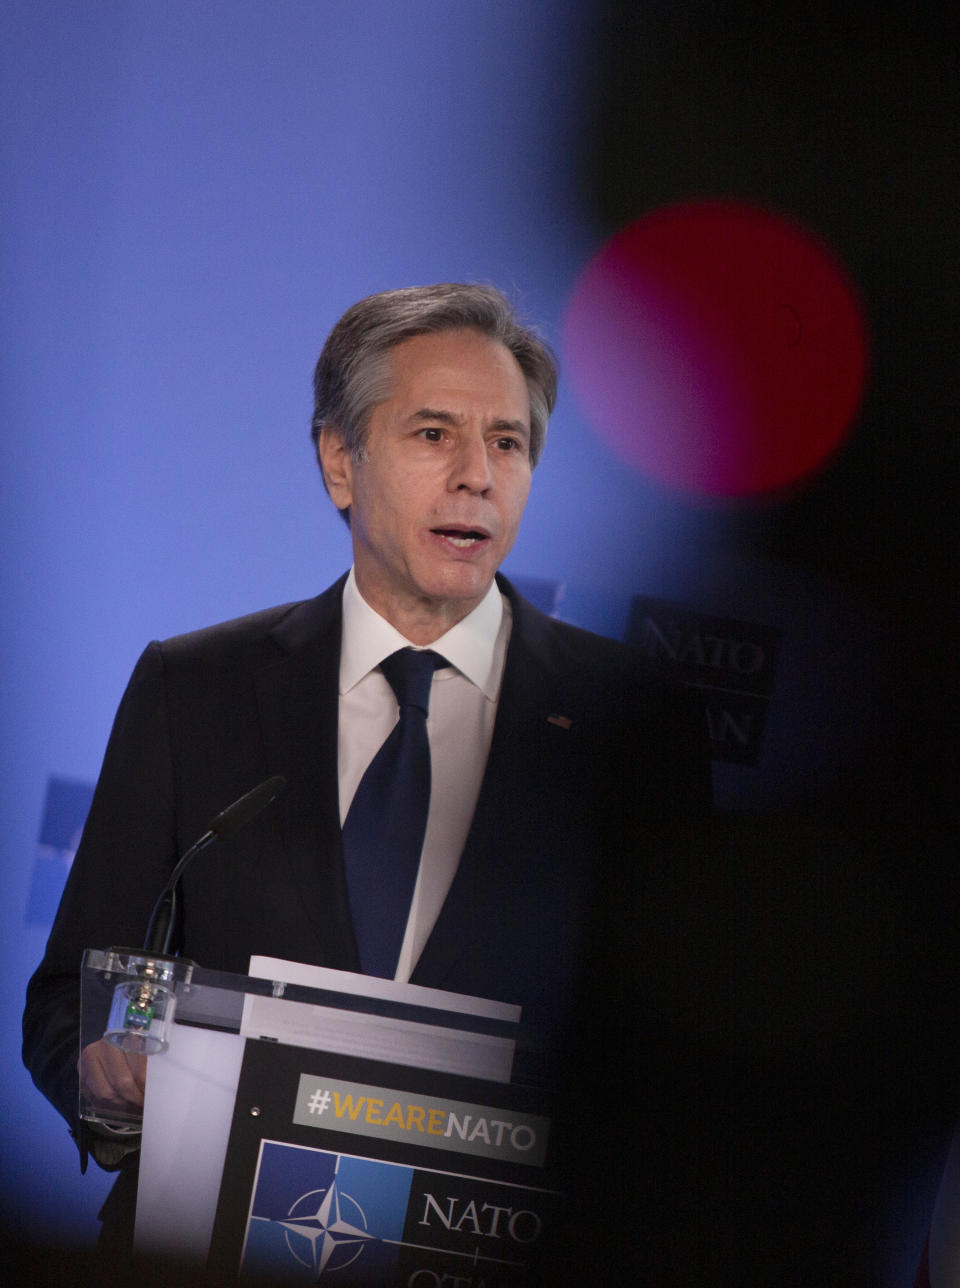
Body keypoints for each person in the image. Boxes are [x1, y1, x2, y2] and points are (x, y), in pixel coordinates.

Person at [22, 283, 710, 1263]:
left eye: (508, 443)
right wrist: (102, 1080)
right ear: (340, 462)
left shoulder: (629, 726)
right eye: (434, 434)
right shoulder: (195, 687)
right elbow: (66, 1001)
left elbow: (687, 1066)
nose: (477, 475)